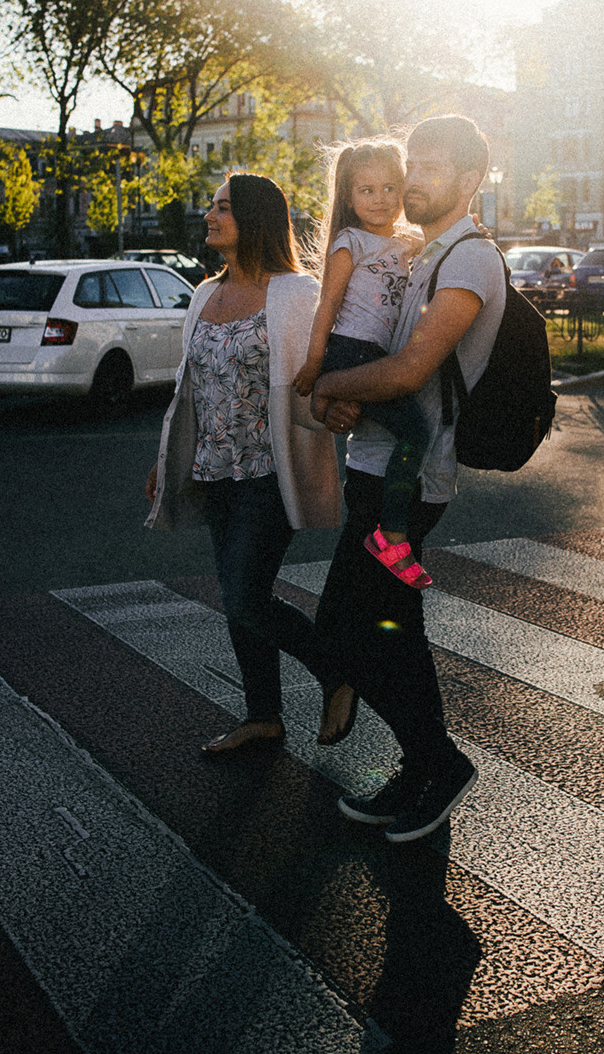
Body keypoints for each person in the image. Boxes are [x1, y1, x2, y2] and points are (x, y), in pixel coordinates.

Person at [309, 114, 509, 844]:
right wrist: (347, 399)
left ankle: (439, 762)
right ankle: (423, 764)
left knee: (347, 631)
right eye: (411, 164)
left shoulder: (470, 261)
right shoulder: (428, 252)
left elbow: (409, 370)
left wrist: (328, 386)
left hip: (411, 480)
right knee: (389, 630)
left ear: (469, 179)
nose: (412, 179)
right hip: (376, 462)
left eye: (430, 167)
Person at [144, 174, 350, 754]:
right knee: (239, 598)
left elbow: (322, 370)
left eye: (224, 208)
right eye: (211, 206)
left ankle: (338, 672)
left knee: (244, 596)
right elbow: (188, 388)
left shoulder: (295, 293)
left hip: (269, 471)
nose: (210, 216)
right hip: (214, 471)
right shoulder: (204, 293)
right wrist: (165, 460)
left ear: (255, 219)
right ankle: (263, 716)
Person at [294, 138, 433, 588]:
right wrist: (315, 364)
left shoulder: (406, 242)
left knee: (402, 428)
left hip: (375, 355)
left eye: (390, 188)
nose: (380, 199)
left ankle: (391, 529)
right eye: (367, 190)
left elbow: (444, 242)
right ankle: (391, 533)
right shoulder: (350, 242)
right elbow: (328, 305)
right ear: (349, 198)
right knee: (415, 432)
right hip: (350, 349)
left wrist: (473, 229)